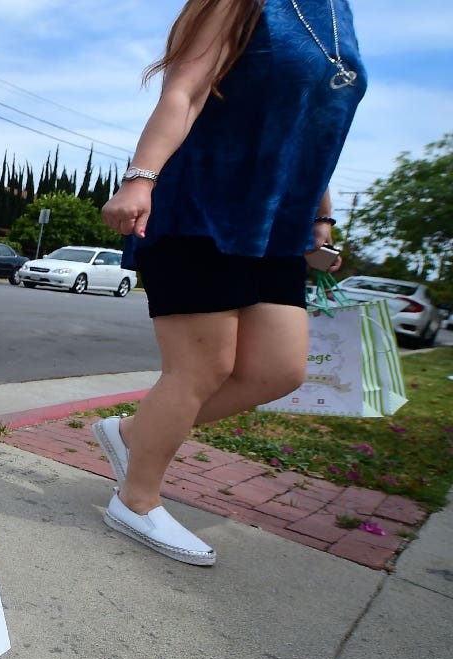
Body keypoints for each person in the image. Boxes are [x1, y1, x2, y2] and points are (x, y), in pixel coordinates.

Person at [96, 0, 365, 565]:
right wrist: (140, 178)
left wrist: (321, 217)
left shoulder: (339, 14)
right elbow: (184, 90)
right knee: (201, 368)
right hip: (203, 208)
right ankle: (136, 499)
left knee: (277, 371)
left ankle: (131, 435)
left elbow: (315, 129)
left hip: (279, 227)